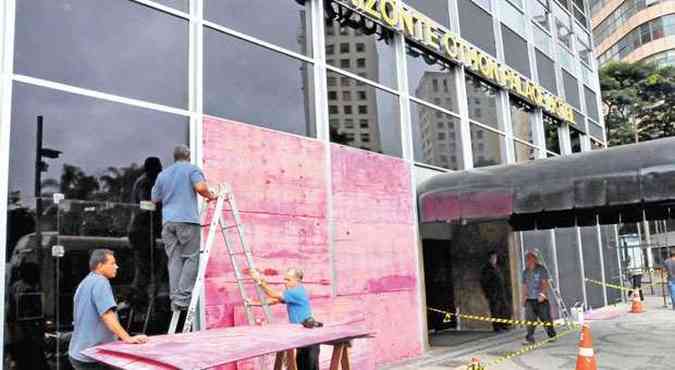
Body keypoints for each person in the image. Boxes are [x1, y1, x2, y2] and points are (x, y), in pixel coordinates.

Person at [151, 145, 216, 313]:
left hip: (168, 223)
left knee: (174, 260)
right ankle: (182, 299)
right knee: (191, 258)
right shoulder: (191, 169)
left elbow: (154, 198)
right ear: (188, 156)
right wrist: (210, 196)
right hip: (187, 221)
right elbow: (201, 187)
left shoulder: (163, 175)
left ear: (174, 157)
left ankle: (175, 299)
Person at [68, 249, 148, 370]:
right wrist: (127, 338)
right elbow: (107, 316)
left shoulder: (85, 283)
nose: (116, 266)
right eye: (112, 263)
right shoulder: (101, 282)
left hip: (78, 353)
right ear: (100, 265)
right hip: (93, 356)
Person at [249, 268, 319, 370]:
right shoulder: (291, 293)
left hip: (308, 335)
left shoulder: (297, 292)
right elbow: (274, 300)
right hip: (302, 334)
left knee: (308, 367)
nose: (285, 282)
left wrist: (259, 281)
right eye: (284, 279)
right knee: (302, 366)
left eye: (288, 280)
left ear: (298, 280)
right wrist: (254, 303)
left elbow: (273, 294)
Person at [127, 157, 163, 301]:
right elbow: (146, 206)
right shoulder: (145, 183)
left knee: (144, 269)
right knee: (146, 269)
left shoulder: (144, 181)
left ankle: (138, 299)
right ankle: (137, 300)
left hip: (142, 231)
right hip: (142, 231)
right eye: (158, 170)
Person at [521, 250, 556, 345]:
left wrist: (543, 294)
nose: (528, 261)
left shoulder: (541, 269)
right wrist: (524, 297)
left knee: (545, 318)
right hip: (530, 299)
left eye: (530, 259)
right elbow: (524, 285)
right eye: (527, 259)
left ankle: (552, 335)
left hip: (541, 299)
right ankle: (529, 337)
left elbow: (544, 283)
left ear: (535, 260)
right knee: (530, 319)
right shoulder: (525, 272)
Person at [480, 251, 510, 333]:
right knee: (495, 310)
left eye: (495, 258)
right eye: (493, 258)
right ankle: (497, 327)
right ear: (489, 259)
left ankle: (504, 325)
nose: (494, 259)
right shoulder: (487, 269)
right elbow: (484, 282)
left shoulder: (497, 267)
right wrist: (489, 293)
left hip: (501, 292)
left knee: (504, 309)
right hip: (493, 293)